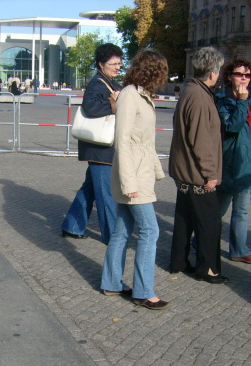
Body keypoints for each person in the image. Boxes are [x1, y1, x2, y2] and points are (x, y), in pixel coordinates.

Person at [100, 49, 169, 310]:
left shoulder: (141, 95)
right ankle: (142, 291)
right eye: (162, 71)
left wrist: (157, 170)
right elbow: (124, 141)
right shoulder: (131, 95)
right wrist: (129, 182)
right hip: (133, 176)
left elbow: (146, 142)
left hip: (139, 172)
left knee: (122, 230)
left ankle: (111, 283)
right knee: (150, 230)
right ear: (153, 71)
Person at [168, 47, 227, 284]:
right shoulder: (200, 97)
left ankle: (178, 261)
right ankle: (208, 268)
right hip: (196, 174)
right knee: (210, 221)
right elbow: (201, 140)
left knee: (185, 218)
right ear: (212, 72)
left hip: (184, 170)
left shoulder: (190, 90)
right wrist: (210, 173)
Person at [61, 43, 123, 244]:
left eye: (119, 64)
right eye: (113, 64)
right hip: (101, 149)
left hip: (101, 148)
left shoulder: (109, 82)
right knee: (105, 196)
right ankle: (112, 238)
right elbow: (90, 108)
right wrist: (113, 104)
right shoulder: (98, 83)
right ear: (101, 64)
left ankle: (72, 225)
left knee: (89, 188)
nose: (117, 67)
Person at [214, 57, 251, 265]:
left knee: (242, 211)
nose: (244, 78)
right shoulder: (222, 101)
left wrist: (245, 101)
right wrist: (241, 102)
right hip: (229, 164)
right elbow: (231, 127)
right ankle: (200, 242)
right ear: (229, 76)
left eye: (247, 75)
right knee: (218, 211)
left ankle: (239, 250)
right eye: (239, 74)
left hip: (246, 164)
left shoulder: (250, 101)